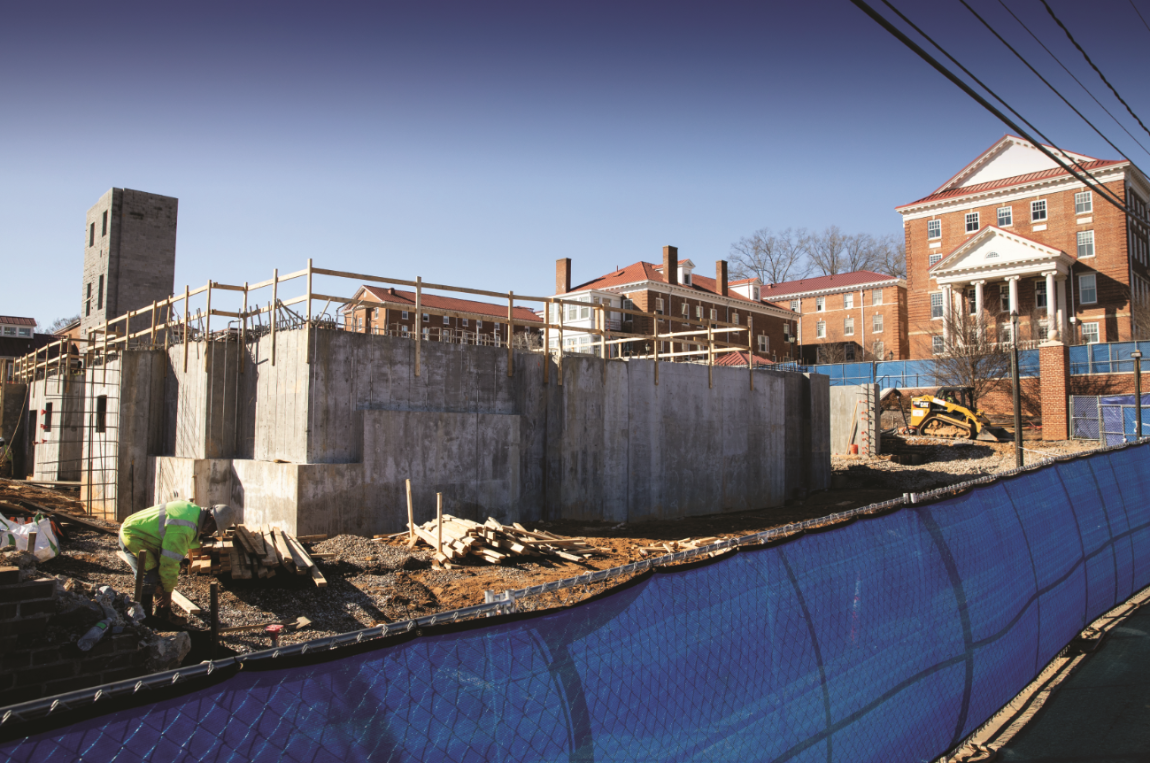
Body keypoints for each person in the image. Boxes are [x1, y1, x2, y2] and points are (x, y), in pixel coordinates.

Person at [119, 501, 236, 617]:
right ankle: (143, 617)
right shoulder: (184, 527)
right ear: (211, 519)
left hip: (146, 536)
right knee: (149, 575)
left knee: (160, 575)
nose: (211, 533)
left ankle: (162, 613)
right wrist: (167, 592)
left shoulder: (192, 511)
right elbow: (169, 564)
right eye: (214, 528)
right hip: (133, 536)